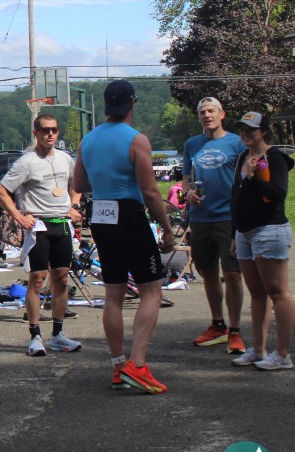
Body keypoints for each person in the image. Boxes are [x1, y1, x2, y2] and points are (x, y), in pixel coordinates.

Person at [74, 80, 174, 393]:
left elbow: (79, 183)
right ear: (133, 103)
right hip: (129, 214)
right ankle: (138, 364)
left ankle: (119, 366)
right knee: (151, 291)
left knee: (114, 294)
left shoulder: (88, 140)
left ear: (106, 105)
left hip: (101, 217)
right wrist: (166, 228)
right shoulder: (136, 140)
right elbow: (149, 191)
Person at [0, 114, 83, 357]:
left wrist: (74, 206)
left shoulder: (65, 159)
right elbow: (1, 191)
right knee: (36, 279)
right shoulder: (27, 162)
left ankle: (58, 334)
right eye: (45, 130)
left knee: (61, 280)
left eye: (54, 129)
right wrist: (18, 216)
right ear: (36, 133)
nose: (50, 134)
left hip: (62, 225)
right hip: (39, 227)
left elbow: (76, 185)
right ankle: (35, 336)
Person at [230, 111, 294, 371]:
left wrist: (253, 176)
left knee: (277, 292)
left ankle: (283, 354)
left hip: (269, 229)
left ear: (264, 131)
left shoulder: (275, 158)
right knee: (256, 293)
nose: (245, 133)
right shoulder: (242, 157)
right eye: (242, 129)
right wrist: (234, 233)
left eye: (251, 129)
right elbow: (236, 196)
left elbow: (278, 193)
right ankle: (258, 349)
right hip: (244, 232)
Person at [182, 97, 246, 353]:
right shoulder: (192, 144)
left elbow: (247, 179)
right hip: (200, 218)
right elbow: (186, 178)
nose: (207, 115)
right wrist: (187, 193)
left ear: (222, 114)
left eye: (211, 111)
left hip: (228, 217)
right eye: (202, 112)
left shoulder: (237, 143)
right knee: (207, 272)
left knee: (232, 273)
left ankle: (236, 330)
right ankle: (218, 325)